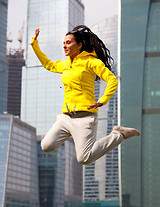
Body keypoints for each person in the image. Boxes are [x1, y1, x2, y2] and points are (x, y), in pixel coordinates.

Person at [31, 25, 140, 165]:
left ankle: (119, 134)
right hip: (66, 117)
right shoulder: (65, 65)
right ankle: (73, 132)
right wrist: (35, 45)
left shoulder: (91, 62)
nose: (64, 46)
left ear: (79, 45)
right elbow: (48, 65)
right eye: (63, 43)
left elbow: (112, 80)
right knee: (46, 146)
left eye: (68, 42)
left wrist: (103, 100)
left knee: (84, 158)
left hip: (85, 117)